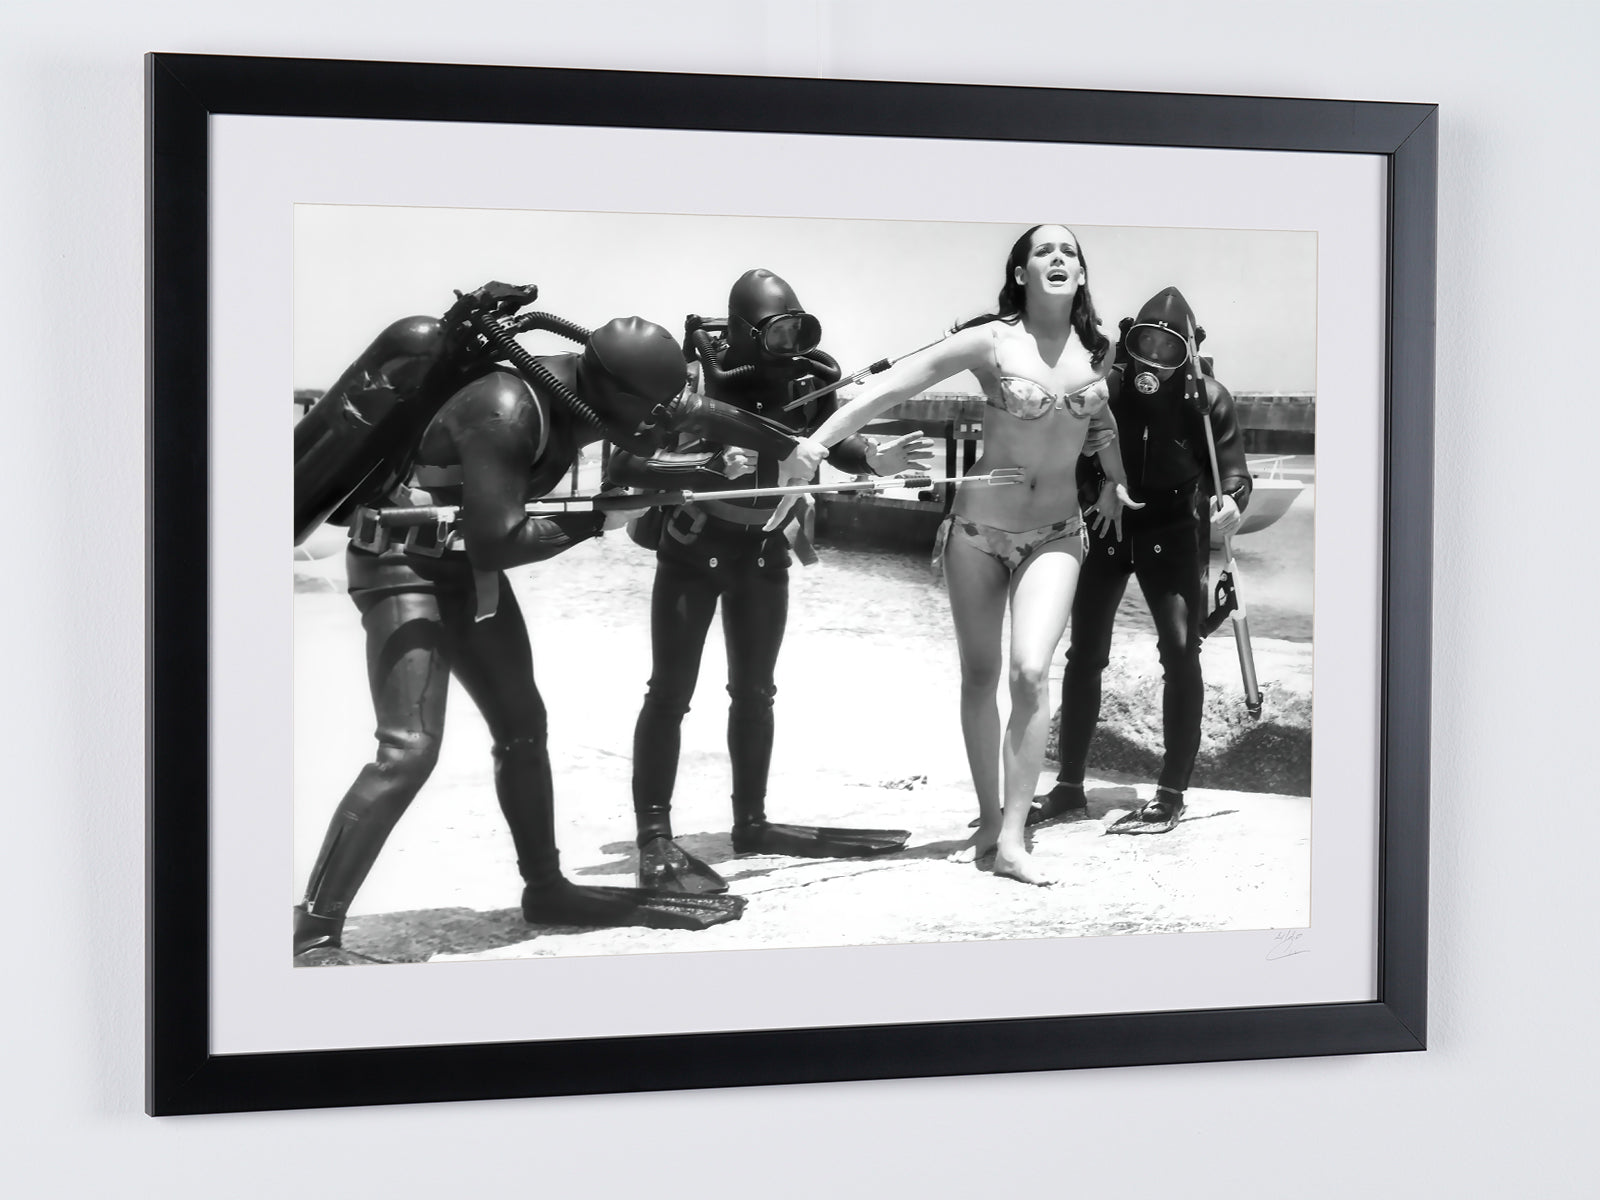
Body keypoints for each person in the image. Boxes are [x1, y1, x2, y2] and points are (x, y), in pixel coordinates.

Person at [291, 284, 808, 960]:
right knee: (409, 749)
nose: (661, 427)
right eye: (653, 416)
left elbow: (702, 414)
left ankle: (547, 888)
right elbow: (498, 541)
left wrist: (809, 449)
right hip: (402, 566)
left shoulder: (596, 392)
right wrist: (601, 519)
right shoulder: (508, 408)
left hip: (461, 569)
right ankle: (314, 932)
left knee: (523, 728)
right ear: (615, 396)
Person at [782, 226, 1139, 886]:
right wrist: (817, 444)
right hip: (978, 531)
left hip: (1057, 532)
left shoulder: (1099, 349)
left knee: (1030, 672)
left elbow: (1099, 422)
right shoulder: (990, 341)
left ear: (1082, 274)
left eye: (1069, 251)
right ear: (1022, 273)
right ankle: (989, 817)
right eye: (1044, 251)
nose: (1058, 258)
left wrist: (1115, 481)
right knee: (981, 674)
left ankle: (1013, 841)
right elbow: (896, 385)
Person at [606, 269, 933, 895]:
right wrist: (706, 464)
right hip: (693, 550)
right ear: (742, 332)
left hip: (763, 551)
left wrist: (873, 457)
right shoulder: (692, 380)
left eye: (798, 331)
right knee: (669, 693)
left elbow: (831, 442)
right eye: (778, 333)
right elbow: (628, 462)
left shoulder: (807, 379)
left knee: (756, 693)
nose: (790, 345)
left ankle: (751, 823)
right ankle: (654, 835)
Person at [1031, 286, 1252, 835]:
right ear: (1129, 341)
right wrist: (1099, 489)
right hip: (1108, 522)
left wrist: (1230, 503)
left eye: (1168, 348)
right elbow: (1073, 454)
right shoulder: (1107, 387)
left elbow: (1232, 472)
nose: (1153, 359)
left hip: (1173, 528)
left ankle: (1171, 794)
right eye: (1144, 344)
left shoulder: (1208, 400)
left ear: (1189, 352)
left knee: (1180, 652)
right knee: (1085, 653)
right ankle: (1068, 786)